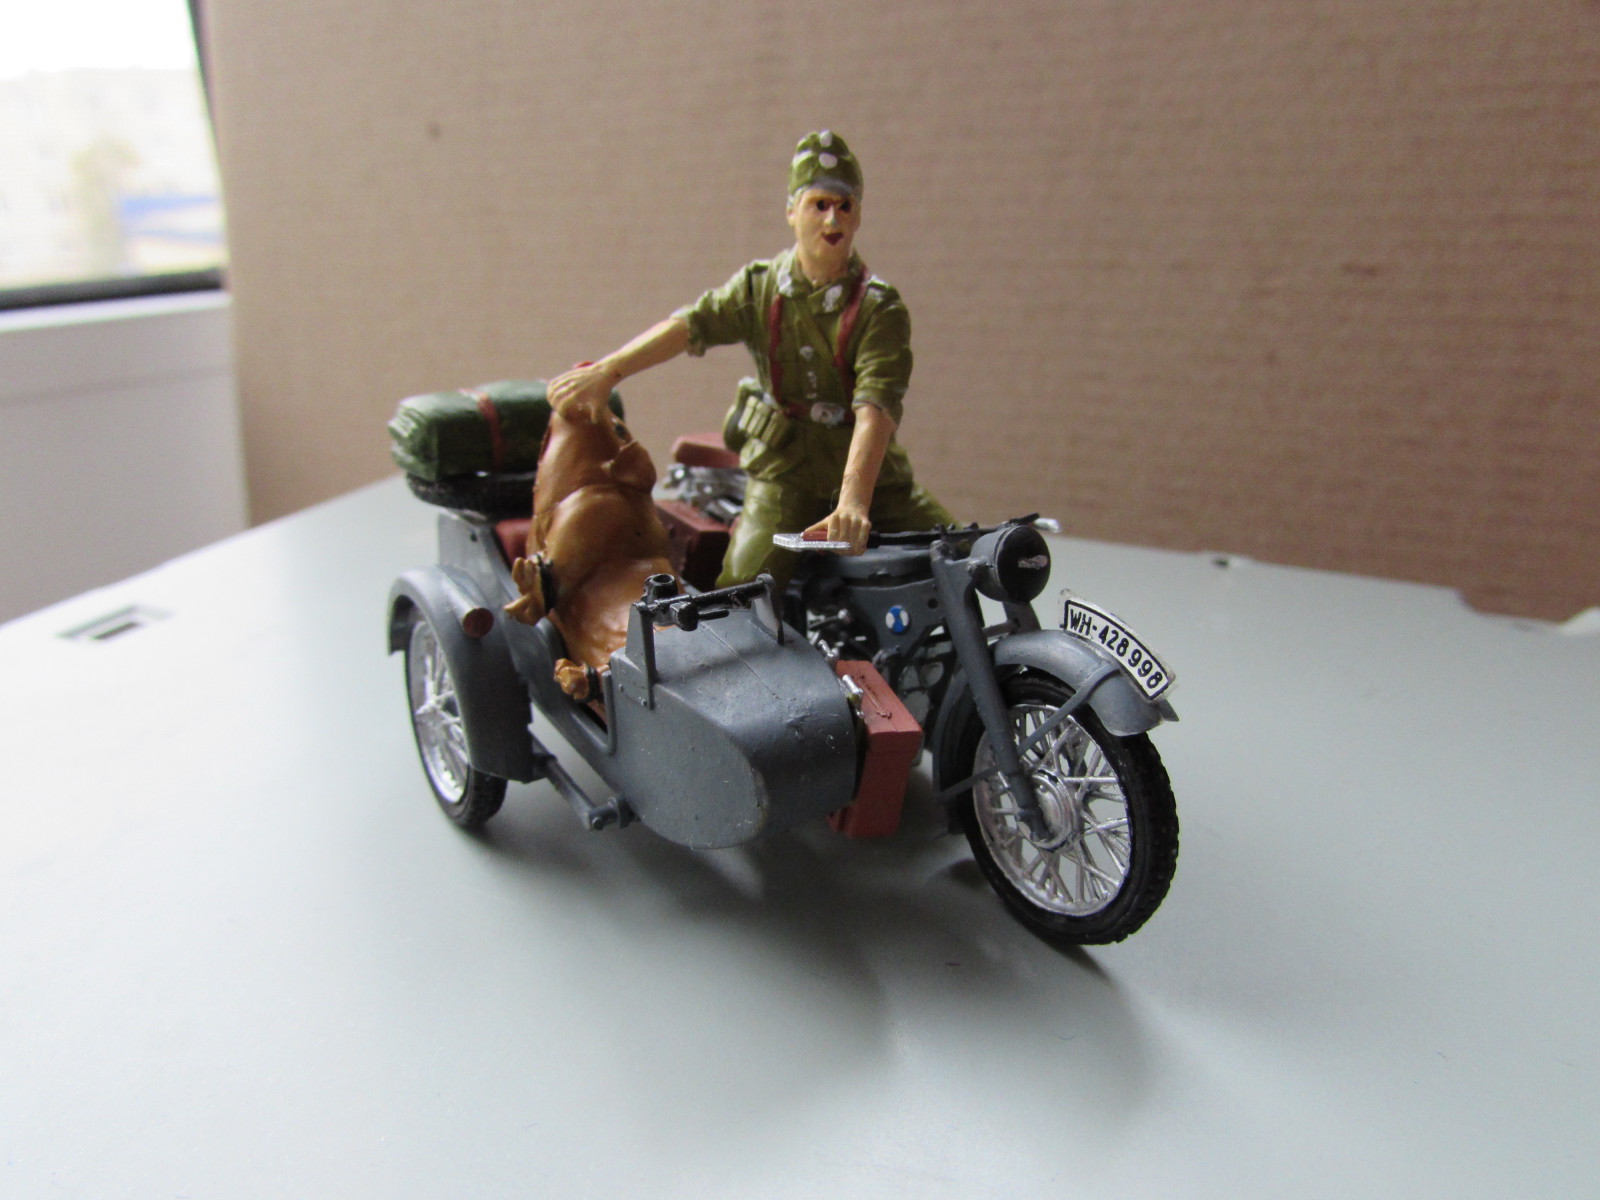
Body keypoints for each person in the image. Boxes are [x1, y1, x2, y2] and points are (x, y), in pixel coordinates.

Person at [547, 130, 951, 588]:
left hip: (872, 478)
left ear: (858, 215)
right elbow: (691, 325)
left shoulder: (879, 307)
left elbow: (875, 407)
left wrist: (854, 501)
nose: (832, 219)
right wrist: (609, 371)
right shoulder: (760, 289)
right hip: (786, 472)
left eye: (844, 206)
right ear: (792, 212)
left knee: (963, 551)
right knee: (743, 587)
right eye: (819, 204)